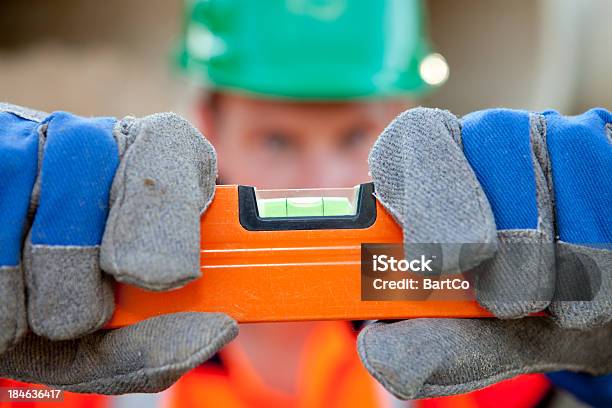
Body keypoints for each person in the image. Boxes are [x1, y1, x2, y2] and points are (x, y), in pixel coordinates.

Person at [0, 1, 610, 407]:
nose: (325, 178)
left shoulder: (475, 320)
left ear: (407, 124)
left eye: (354, 135)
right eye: (277, 140)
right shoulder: (79, 328)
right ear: (206, 128)